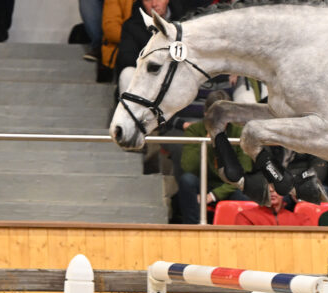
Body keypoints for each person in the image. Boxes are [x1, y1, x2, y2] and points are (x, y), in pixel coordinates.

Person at [177, 91, 253, 224]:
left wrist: (214, 195)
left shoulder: (239, 132)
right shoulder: (194, 130)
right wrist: (206, 144)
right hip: (203, 183)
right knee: (186, 181)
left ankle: (240, 233)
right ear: (205, 114)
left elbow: (243, 173)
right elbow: (188, 166)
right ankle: (193, 229)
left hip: (229, 186)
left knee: (244, 194)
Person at [116, 0, 186, 92]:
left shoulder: (184, 21)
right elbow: (126, 59)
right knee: (127, 73)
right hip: (146, 77)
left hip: (178, 76)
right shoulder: (132, 26)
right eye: (148, 0)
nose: (154, 4)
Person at [234, 184, 309, 226]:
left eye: (275, 185)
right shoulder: (246, 217)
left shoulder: (301, 220)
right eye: (266, 186)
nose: (271, 190)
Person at [100, 0, 134, 78]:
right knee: (127, 73)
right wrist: (135, 39)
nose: (153, 4)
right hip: (125, 50)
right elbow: (111, 29)